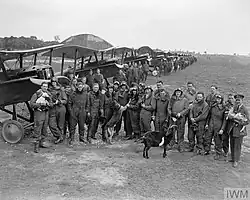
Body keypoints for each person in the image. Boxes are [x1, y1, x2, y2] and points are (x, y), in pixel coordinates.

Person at [227, 94, 249, 168]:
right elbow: (230, 116)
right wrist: (233, 117)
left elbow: (248, 120)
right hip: (232, 129)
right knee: (232, 143)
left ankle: (236, 160)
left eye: (239, 100)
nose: (237, 102)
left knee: (237, 145)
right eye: (236, 100)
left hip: (239, 130)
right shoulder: (234, 108)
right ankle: (233, 158)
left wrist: (239, 121)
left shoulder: (244, 109)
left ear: (242, 101)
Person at [30, 82, 52, 153]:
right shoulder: (37, 94)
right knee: (38, 128)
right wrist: (39, 104)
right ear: (41, 87)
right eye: (44, 86)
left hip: (46, 112)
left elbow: (51, 104)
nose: (45, 88)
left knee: (44, 128)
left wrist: (49, 104)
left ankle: (42, 143)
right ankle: (36, 146)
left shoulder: (48, 94)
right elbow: (31, 104)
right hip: (39, 113)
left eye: (46, 86)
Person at [67, 81, 90, 146]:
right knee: (72, 125)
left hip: (82, 111)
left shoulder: (86, 94)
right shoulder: (73, 94)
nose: (80, 88)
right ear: (76, 87)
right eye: (78, 87)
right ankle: (72, 138)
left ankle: (81, 137)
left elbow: (88, 103)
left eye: (81, 86)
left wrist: (86, 110)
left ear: (83, 86)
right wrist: (71, 111)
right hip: (74, 111)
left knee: (81, 125)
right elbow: (69, 103)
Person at [168, 88, 189, 152]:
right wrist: (171, 114)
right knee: (172, 130)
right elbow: (169, 108)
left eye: (179, 92)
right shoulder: (172, 99)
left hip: (181, 118)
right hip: (173, 117)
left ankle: (180, 144)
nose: (178, 93)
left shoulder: (185, 100)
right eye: (177, 92)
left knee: (180, 131)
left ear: (181, 93)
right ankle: (172, 142)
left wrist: (181, 114)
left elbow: (186, 109)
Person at [206, 94, 227, 159]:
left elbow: (225, 120)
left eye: (219, 99)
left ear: (222, 100)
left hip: (218, 125)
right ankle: (207, 150)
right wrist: (207, 124)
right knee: (208, 137)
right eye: (217, 99)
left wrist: (222, 129)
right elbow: (209, 116)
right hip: (211, 124)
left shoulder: (224, 108)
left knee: (217, 140)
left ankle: (218, 153)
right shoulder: (213, 106)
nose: (218, 100)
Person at [48, 77, 67, 144]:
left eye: (54, 82)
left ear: (57, 82)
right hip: (52, 109)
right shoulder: (49, 90)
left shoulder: (61, 90)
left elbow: (65, 100)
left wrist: (59, 101)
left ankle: (59, 138)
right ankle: (59, 136)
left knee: (60, 125)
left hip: (60, 108)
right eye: (52, 82)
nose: (53, 83)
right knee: (51, 124)